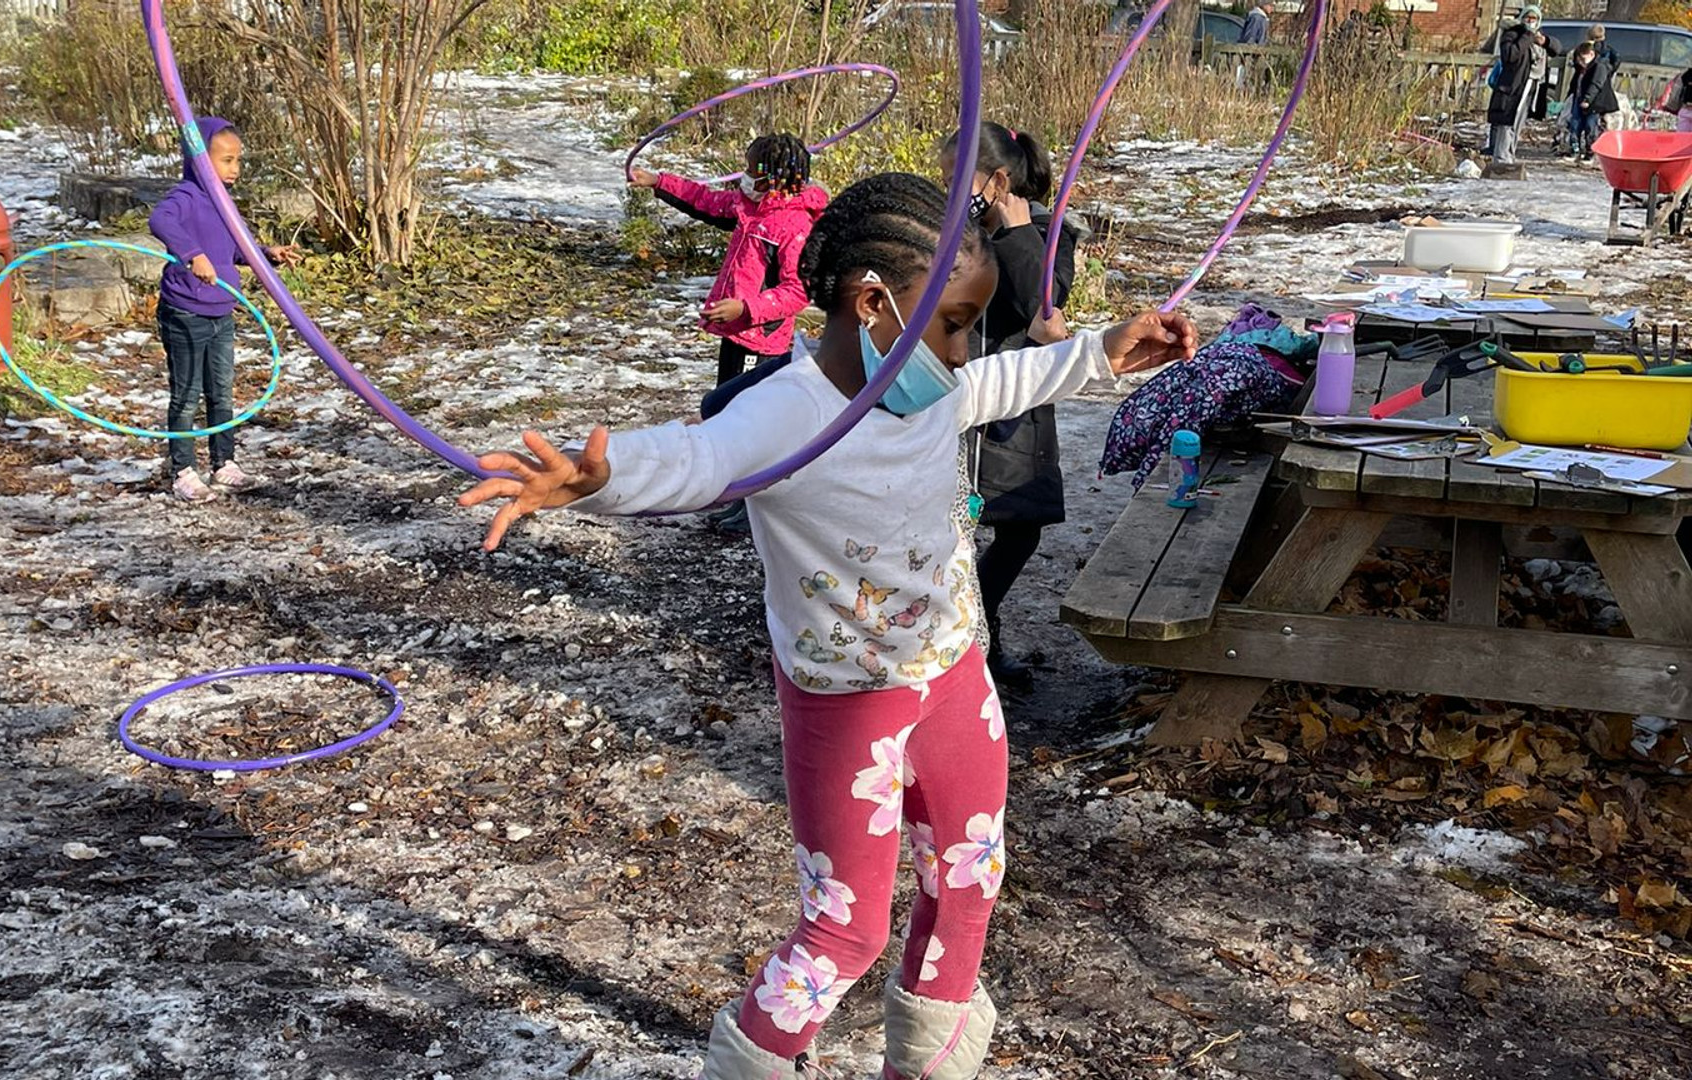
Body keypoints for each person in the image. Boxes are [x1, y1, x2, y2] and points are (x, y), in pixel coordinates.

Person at [459, 173, 1195, 1079]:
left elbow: (1005, 378)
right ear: (871, 302)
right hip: (850, 704)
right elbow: (700, 457)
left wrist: (1101, 354)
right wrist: (600, 480)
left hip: (954, 673)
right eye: (954, 324)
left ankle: (923, 1065)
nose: (964, 351)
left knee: (969, 878)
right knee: (845, 929)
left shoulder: (929, 388)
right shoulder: (788, 413)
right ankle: (752, 1064)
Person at [935, 121, 1079, 689]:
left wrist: (1019, 238)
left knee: (1020, 524)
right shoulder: (954, 233)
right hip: (961, 394)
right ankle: (969, 644)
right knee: (956, 526)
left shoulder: (1046, 232)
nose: (948, 193)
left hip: (1017, 406)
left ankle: (980, 626)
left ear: (996, 180)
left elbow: (1047, 306)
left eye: (956, 182)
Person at [148, 117, 301, 504]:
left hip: (221, 311)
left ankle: (223, 463)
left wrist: (267, 254)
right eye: (227, 160)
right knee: (186, 395)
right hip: (185, 312)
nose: (235, 170)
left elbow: (232, 249)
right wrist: (191, 254)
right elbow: (159, 220)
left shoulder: (223, 203)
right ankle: (183, 471)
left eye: (238, 161)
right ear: (200, 160)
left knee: (221, 391)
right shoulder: (185, 197)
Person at [629, 134, 829, 388]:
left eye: (749, 169)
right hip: (735, 328)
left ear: (771, 179)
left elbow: (797, 291)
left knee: (745, 408)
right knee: (725, 401)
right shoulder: (749, 206)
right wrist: (659, 182)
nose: (742, 175)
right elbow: (704, 201)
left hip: (760, 340)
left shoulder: (795, 227)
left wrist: (746, 308)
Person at [1486, 6, 1558, 168]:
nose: (1531, 22)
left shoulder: (1539, 37)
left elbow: (1556, 48)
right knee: (1507, 122)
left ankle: (1510, 154)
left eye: (1534, 19)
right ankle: (1501, 159)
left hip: (1532, 86)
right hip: (1513, 87)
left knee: (1518, 123)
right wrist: (1527, 36)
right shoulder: (1512, 35)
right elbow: (1510, 55)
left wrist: (1545, 41)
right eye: (1528, 18)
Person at [1576, 40, 1622, 158]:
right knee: (1584, 125)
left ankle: (1591, 152)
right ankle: (1585, 149)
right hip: (1590, 101)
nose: (1581, 62)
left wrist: (1587, 99)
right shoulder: (1589, 66)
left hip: (1597, 102)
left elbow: (1596, 84)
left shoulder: (1599, 67)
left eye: (1582, 59)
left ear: (1591, 54)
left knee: (1591, 126)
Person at [1657, 67, 1692, 133]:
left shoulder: (1686, 74)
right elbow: (1677, 91)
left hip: (1685, 110)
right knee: (1681, 138)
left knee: (1681, 138)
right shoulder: (1687, 74)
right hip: (1685, 110)